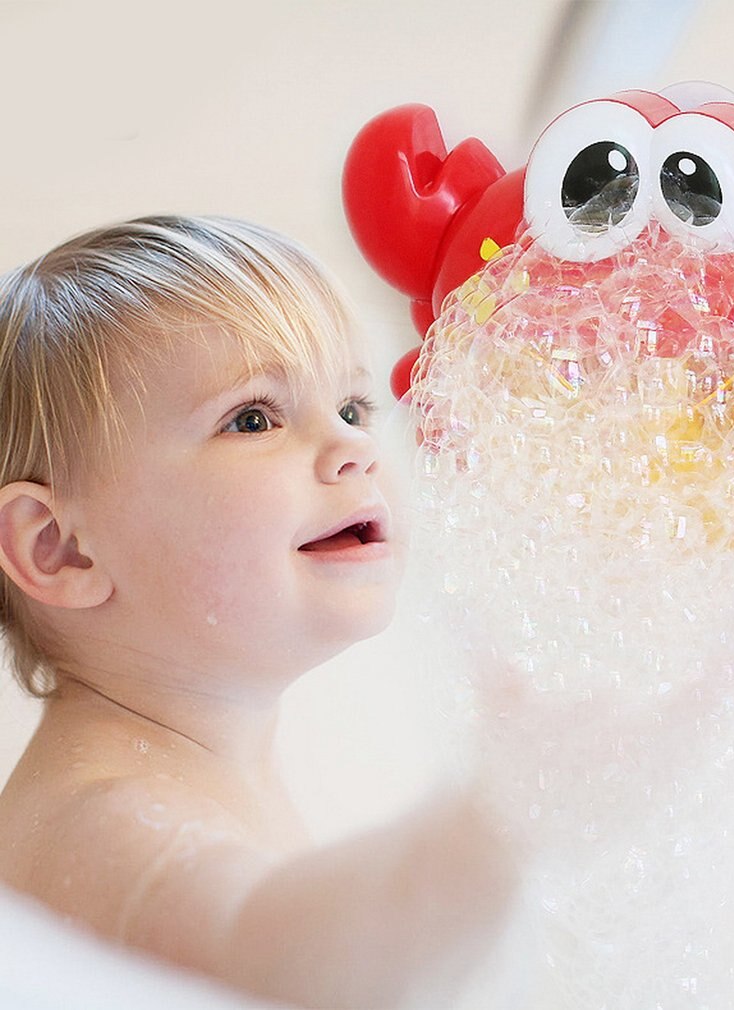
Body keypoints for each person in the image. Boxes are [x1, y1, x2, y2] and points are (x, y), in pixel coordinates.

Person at [0, 215, 513, 1008]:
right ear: (62, 551)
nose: (355, 448)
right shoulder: (101, 817)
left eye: (352, 407)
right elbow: (277, 956)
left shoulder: (198, 771)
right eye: (253, 418)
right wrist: (507, 821)